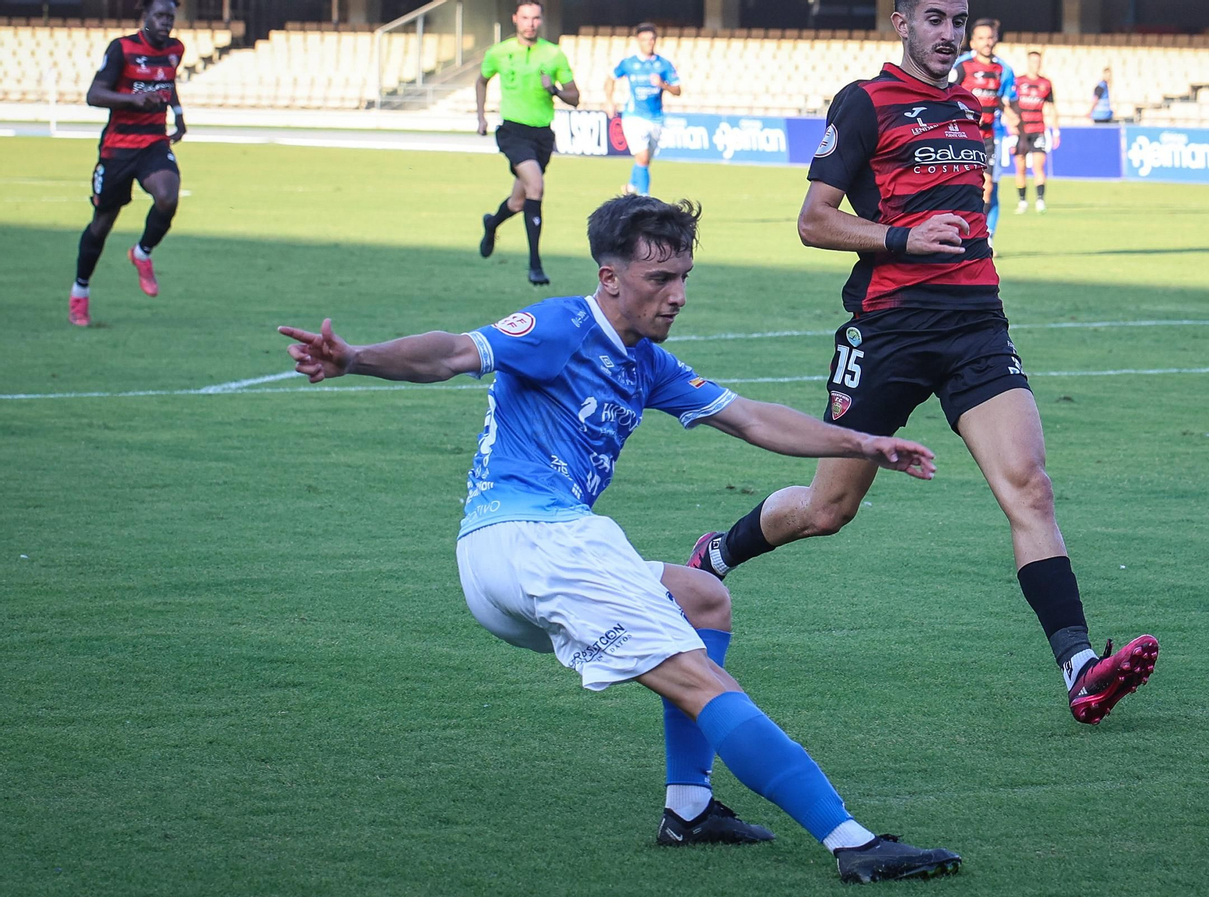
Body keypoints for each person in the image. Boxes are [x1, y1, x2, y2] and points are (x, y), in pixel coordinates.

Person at [277, 195, 961, 885]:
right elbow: (453, 352)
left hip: (510, 556)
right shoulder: (560, 325)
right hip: (537, 542)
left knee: (701, 598)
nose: (678, 296)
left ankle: (689, 808)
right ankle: (851, 840)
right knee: (701, 678)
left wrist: (862, 441)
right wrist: (357, 356)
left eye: (684, 276)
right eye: (659, 279)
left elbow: (752, 419)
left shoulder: (647, 363)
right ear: (610, 278)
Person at [684, 0, 1159, 727]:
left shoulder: (972, 107)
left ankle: (1080, 669)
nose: (950, 33)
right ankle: (716, 555)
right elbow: (813, 221)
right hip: (889, 330)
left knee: (1029, 488)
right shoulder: (865, 102)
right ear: (900, 23)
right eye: (934, 18)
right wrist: (904, 240)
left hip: (975, 326)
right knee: (827, 508)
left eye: (960, 19)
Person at [69, 0, 186, 327]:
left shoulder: (176, 49)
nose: (166, 23)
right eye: (160, 16)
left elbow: (167, 82)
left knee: (168, 196)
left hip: (153, 142)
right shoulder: (122, 49)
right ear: (145, 17)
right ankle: (80, 293)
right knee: (101, 225)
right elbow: (94, 94)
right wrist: (132, 99)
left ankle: (142, 253)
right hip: (117, 149)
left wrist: (178, 115)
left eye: (170, 18)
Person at [475, 0, 578, 287]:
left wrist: (553, 90)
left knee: (519, 201)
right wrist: (481, 117)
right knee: (536, 186)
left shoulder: (554, 54)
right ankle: (535, 264)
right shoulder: (499, 52)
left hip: (542, 135)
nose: (530, 23)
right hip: (512, 131)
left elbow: (575, 97)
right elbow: (481, 81)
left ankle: (492, 223)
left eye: (535, 18)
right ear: (515, 19)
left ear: (541, 21)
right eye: (525, 18)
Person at [950, 18, 1015, 243]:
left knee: (988, 189)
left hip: (989, 137)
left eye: (990, 37)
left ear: (996, 39)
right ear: (972, 41)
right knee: (957, 188)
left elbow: (1007, 102)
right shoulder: (960, 66)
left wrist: (1019, 129)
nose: (987, 42)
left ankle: (985, 236)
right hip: (960, 137)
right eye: (981, 38)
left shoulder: (1004, 70)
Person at [604, 22, 681, 197]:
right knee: (643, 158)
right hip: (634, 117)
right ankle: (645, 198)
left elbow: (678, 90)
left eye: (651, 39)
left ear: (656, 40)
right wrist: (609, 100)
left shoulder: (663, 65)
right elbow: (610, 78)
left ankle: (630, 188)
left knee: (644, 161)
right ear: (638, 41)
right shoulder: (629, 63)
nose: (648, 42)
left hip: (656, 118)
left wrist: (662, 84)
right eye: (644, 39)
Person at [1011, 50, 1056, 214]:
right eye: (1033, 62)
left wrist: (1055, 130)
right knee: (1020, 167)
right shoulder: (1018, 82)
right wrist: (1011, 125)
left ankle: (1040, 200)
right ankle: (1022, 201)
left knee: (1038, 167)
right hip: (1020, 132)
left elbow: (1051, 108)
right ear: (1028, 63)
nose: (1035, 65)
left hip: (1038, 130)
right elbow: (1011, 104)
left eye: (1038, 62)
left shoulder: (1046, 83)